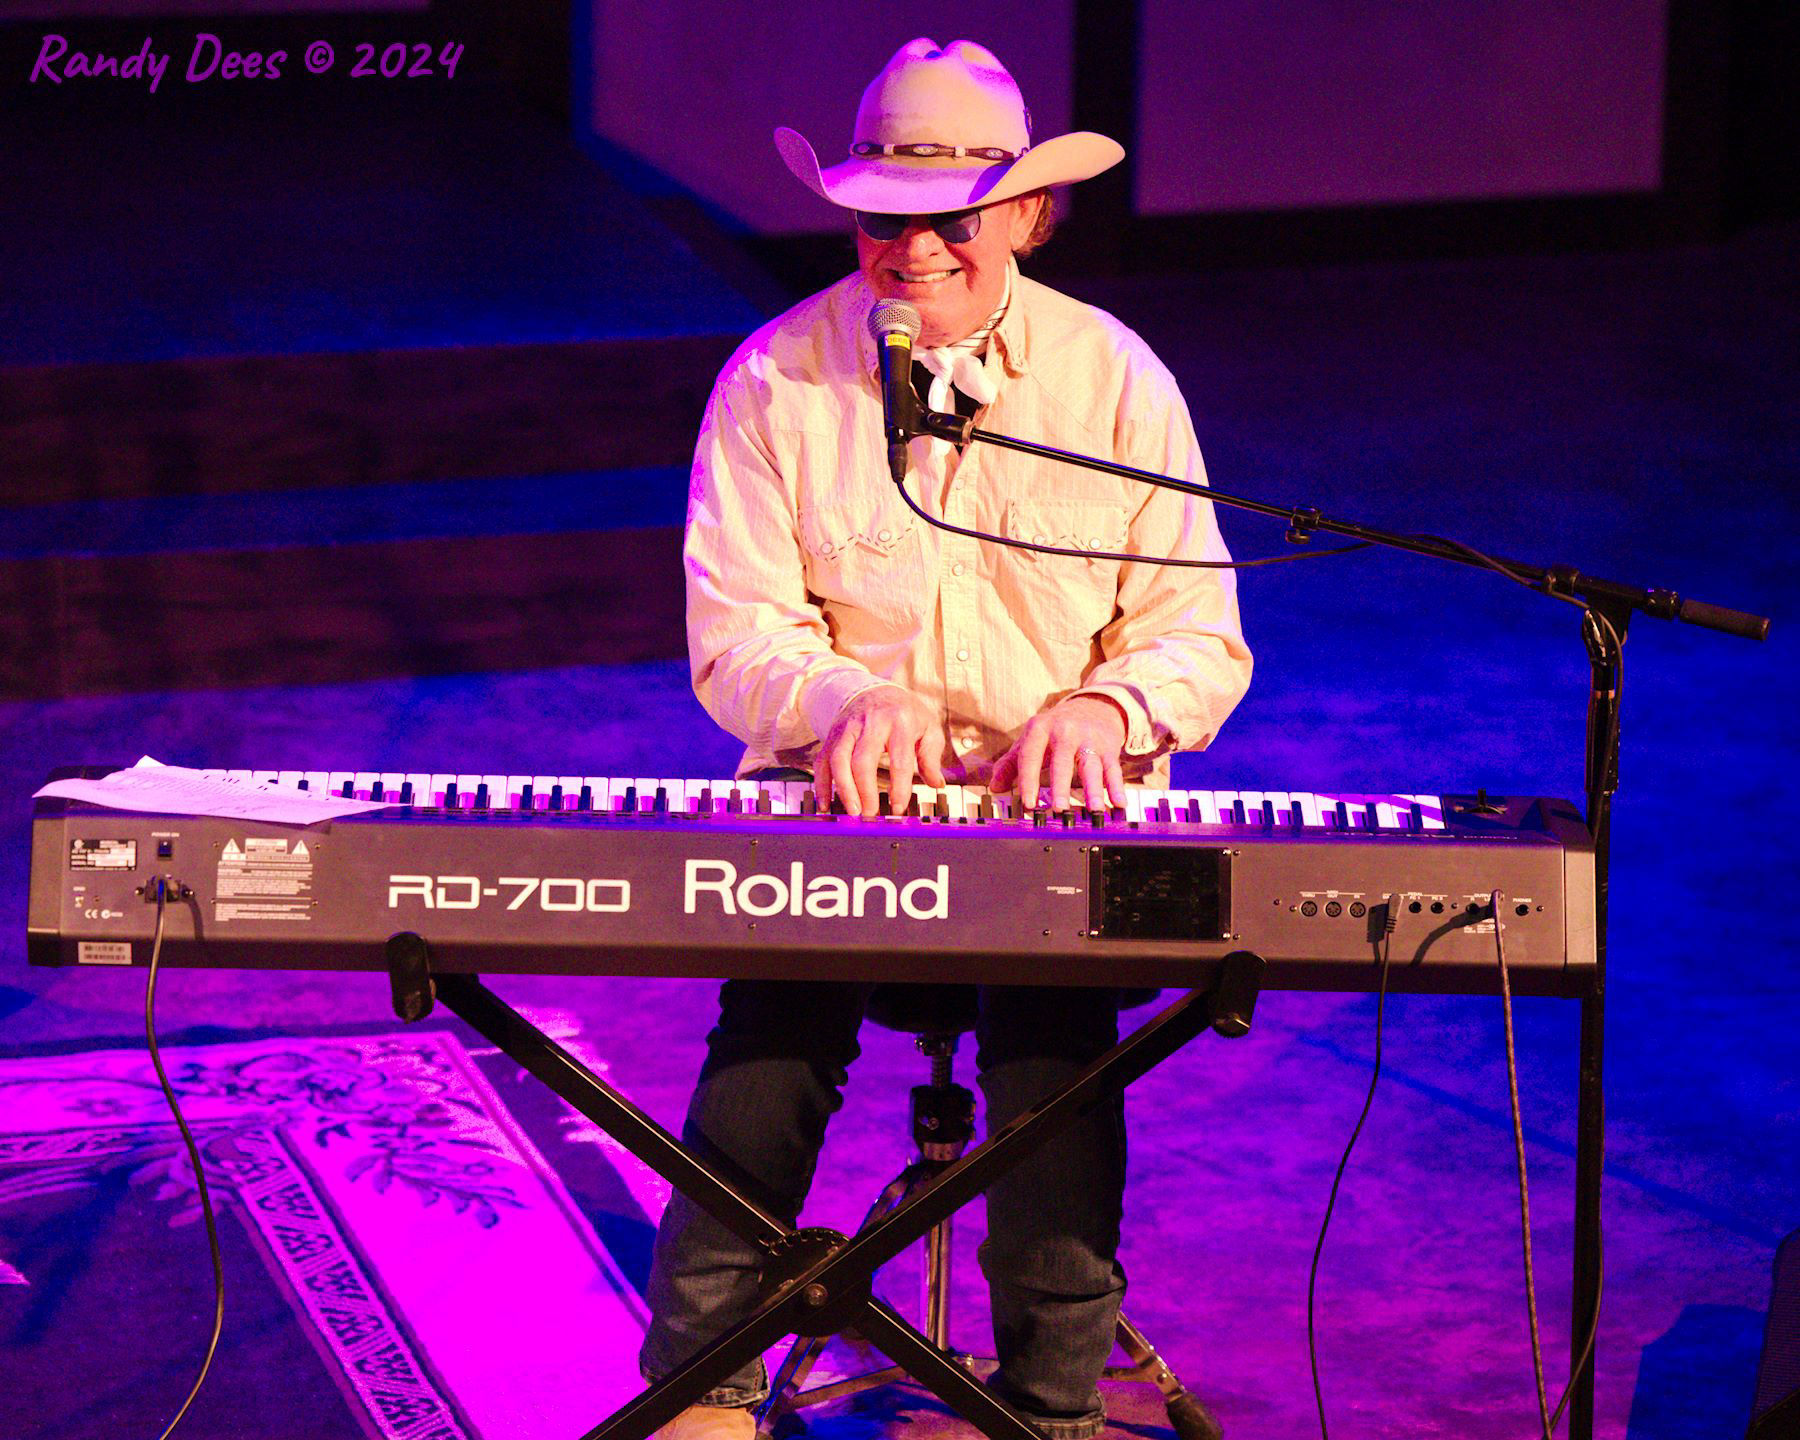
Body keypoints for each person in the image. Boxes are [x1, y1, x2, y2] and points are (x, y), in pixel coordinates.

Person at [644, 37, 1252, 1440]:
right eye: (880, 220)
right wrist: (840, 701)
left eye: (948, 222)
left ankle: (1050, 1405)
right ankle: (701, 1390)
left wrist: (1108, 707)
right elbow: (735, 638)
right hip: (845, 818)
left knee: (1055, 1057)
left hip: (1045, 830)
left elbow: (1199, 636)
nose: (909, 251)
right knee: (771, 1045)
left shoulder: (1114, 380)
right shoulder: (774, 381)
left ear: (1029, 218)